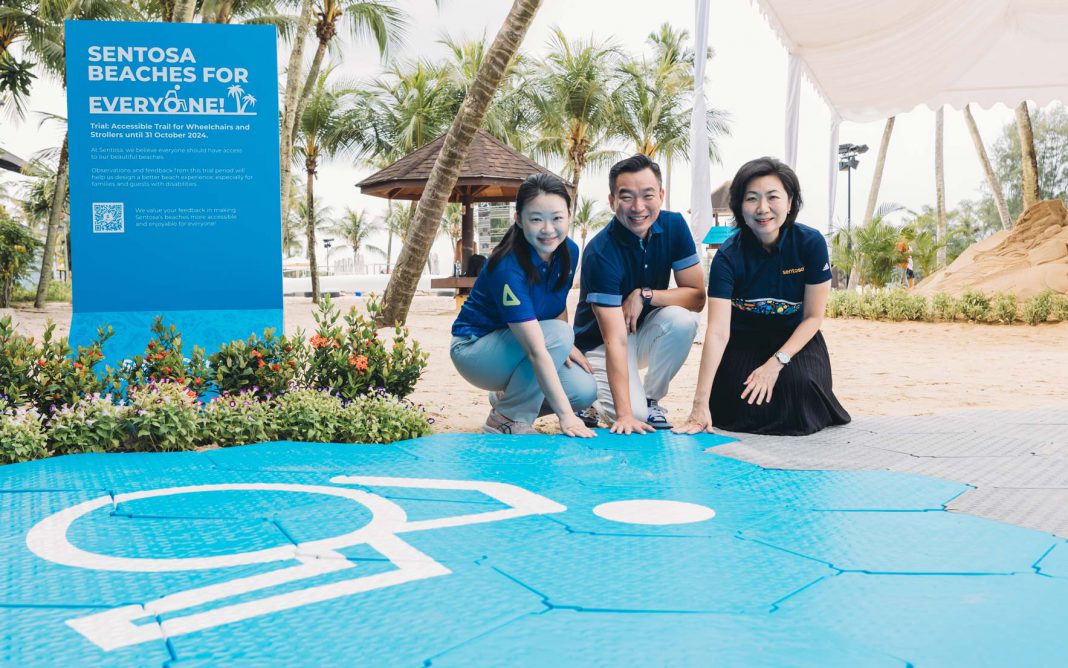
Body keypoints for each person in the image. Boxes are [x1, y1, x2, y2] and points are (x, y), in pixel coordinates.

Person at [675, 157, 850, 436]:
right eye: (752, 198)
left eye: (773, 197)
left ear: (790, 202)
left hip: (795, 338)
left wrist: (776, 363)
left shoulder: (810, 244)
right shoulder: (727, 256)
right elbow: (718, 331)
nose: (762, 208)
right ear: (739, 207)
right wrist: (700, 403)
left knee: (799, 386)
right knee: (733, 397)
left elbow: (813, 317)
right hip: (744, 339)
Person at [451, 173, 597, 437]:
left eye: (557, 218)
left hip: (519, 348)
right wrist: (567, 418)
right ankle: (506, 418)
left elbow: (556, 303)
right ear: (518, 219)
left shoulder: (569, 252)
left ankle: (507, 400)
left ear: (569, 216)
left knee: (583, 390)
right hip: (475, 351)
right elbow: (537, 350)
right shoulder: (507, 265)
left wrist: (565, 346)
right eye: (536, 219)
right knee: (557, 338)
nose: (548, 229)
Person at [572, 154, 705, 435]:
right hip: (598, 345)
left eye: (647, 195)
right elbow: (614, 340)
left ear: (661, 195)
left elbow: (696, 298)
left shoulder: (674, 226)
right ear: (611, 201)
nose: (638, 207)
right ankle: (589, 395)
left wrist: (645, 295)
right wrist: (624, 415)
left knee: (684, 320)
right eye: (626, 197)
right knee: (635, 416)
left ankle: (651, 398)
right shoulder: (600, 252)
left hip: (640, 334)